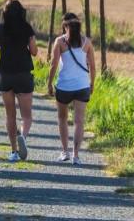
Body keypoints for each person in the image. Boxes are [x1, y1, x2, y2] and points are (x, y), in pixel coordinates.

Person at [0, 0, 38, 162]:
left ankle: (14, 152)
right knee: (26, 116)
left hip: (6, 74)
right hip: (23, 74)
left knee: (10, 115)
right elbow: (34, 51)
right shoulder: (26, 28)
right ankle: (22, 136)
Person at [47, 13, 96, 165]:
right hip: (82, 86)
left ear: (66, 26)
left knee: (62, 119)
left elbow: (53, 64)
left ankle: (64, 152)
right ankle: (76, 155)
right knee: (79, 122)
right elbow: (93, 66)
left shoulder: (60, 42)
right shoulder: (87, 42)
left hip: (64, 87)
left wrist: (49, 83)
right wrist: (92, 83)